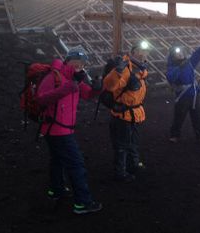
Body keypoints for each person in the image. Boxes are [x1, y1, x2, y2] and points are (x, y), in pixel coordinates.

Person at [36, 47, 102, 214]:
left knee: (57, 160)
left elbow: (87, 94)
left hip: (60, 129)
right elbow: (41, 99)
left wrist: (97, 88)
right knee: (76, 163)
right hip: (56, 129)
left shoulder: (75, 79)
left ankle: (56, 190)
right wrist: (68, 87)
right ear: (68, 61)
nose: (80, 66)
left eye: (82, 64)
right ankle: (83, 203)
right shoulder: (54, 76)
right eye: (76, 63)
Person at [103, 41, 149, 183]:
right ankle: (120, 172)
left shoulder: (139, 68)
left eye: (145, 52)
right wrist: (117, 71)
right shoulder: (124, 68)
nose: (143, 54)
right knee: (122, 145)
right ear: (132, 52)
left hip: (133, 113)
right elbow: (109, 85)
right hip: (123, 114)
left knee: (133, 142)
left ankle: (132, 165)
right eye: (140, 51)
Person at [166, 32, 200, 144]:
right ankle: (174, 135)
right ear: (173, 55)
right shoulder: (172, 67)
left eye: (182, 52)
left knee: (198, 117)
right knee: (179, 117)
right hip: (182, 96)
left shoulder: (189, 63)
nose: (181, 54)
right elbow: (171, 78)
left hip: (194, 94)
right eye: (178, 52)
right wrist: (180, 68)